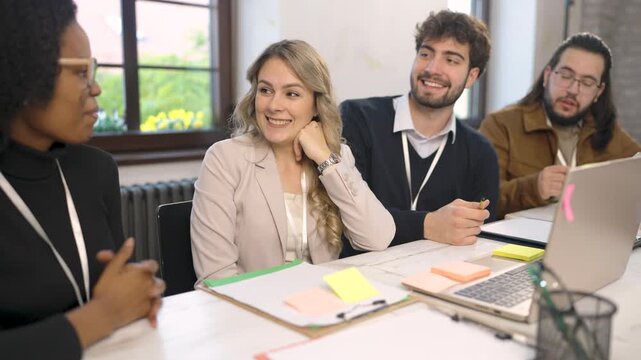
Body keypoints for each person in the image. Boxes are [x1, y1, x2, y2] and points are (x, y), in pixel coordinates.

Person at [0, 1, 165, 358]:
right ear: (22, 74)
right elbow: (104, 310)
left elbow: (113, 286)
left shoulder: (95, 170)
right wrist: (105, 314)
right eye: (79, 73)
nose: (96, 89)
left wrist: (137, 292)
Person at [191, 40, 395, 280]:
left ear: (316, 103)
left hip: (322, 305)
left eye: (292, 93)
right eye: (265, 90)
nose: (274, 105)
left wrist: (323, 158)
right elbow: (216, 277)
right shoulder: (225, 159)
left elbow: (377, 239)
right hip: (252, 309)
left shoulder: (335, 156)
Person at [340, 10, 498, 255]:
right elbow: (345, 217)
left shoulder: (480, 152)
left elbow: (477, 238)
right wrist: (429, 224)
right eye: (425, 54)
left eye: (451, 60)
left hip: (438, 280)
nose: (433, 68)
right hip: (356, 276)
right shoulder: (357, 118)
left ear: (472, 77)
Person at [480, 33, 641, 218]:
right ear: (547, 75)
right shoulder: (501, 125)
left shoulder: (606, 131)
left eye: (587, 83)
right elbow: (479, 200)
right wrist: (534, 188)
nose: (573, 90)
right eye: (565, 76)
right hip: (515, 243)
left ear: (599, 91)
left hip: (583, 235)